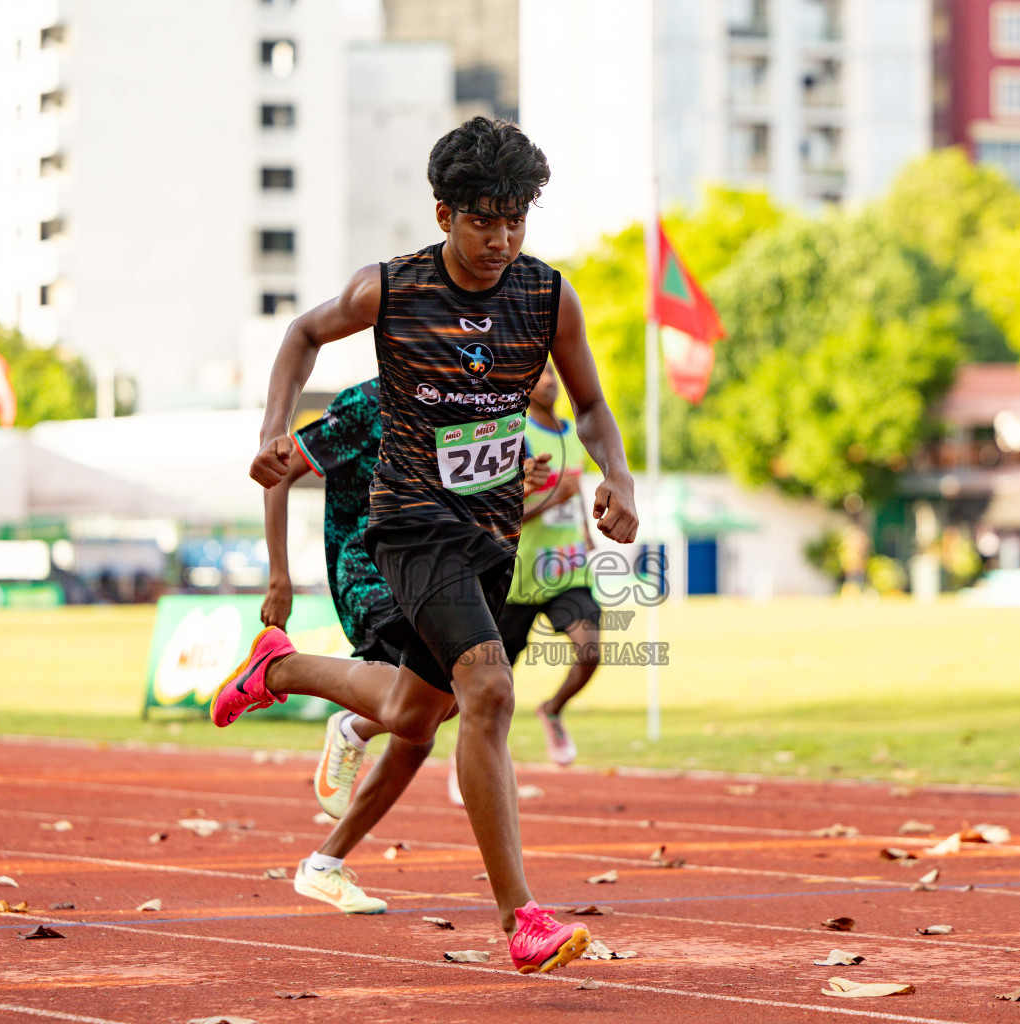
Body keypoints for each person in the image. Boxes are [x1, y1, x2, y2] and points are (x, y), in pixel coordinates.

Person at [212, 117, 638, 975]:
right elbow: (301, 335)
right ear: (444, 215)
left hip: (491, 532)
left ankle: (280, 670)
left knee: (415, 714)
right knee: (490, 690)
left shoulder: (547, 296)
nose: (502, 239)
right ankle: (522, 920)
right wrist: (271, 431)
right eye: (484, 221)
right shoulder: (390, 289)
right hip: (409, 519)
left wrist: (618, 476)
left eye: (516, 219)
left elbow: (590, 405)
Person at [262, 378, 549, 914]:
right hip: (369, 573)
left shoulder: (476, 405)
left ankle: (324, 862)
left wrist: (524, 486)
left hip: (442, 575)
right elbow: (278, 472)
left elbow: (483, 507)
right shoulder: (366, 403)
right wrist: (280, 574)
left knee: (422, 725)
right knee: (444, 703)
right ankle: (335, 711)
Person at [498, 361, 603, 767]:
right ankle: (476, 754)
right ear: (524, 385)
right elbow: (502, 515)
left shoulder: (574, 433)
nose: (549, 381)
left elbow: (574, 485)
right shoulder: (516, 435)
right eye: (540, 375)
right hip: (518, 575)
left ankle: (553, 709)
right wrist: (553, 498)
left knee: (589, 650)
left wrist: (585, 528)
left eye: (553, 374)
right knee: (492, 682)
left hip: (567, 569)